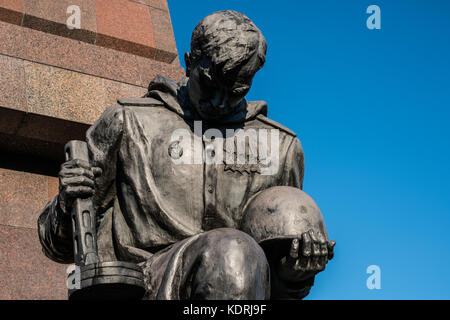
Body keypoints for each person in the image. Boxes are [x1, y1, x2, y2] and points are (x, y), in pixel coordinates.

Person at [38, 10, 334, 300]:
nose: (219, 102)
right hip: (143, 284)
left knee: (236, 253)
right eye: (209, 84)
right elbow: (57, 246)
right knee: (232, 250)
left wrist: (295, 275)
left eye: (237, 90)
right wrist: (66, 203)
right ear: (189, 62)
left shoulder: (281, 146)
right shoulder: (128, 121)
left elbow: (271, 281)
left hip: (236, 287)